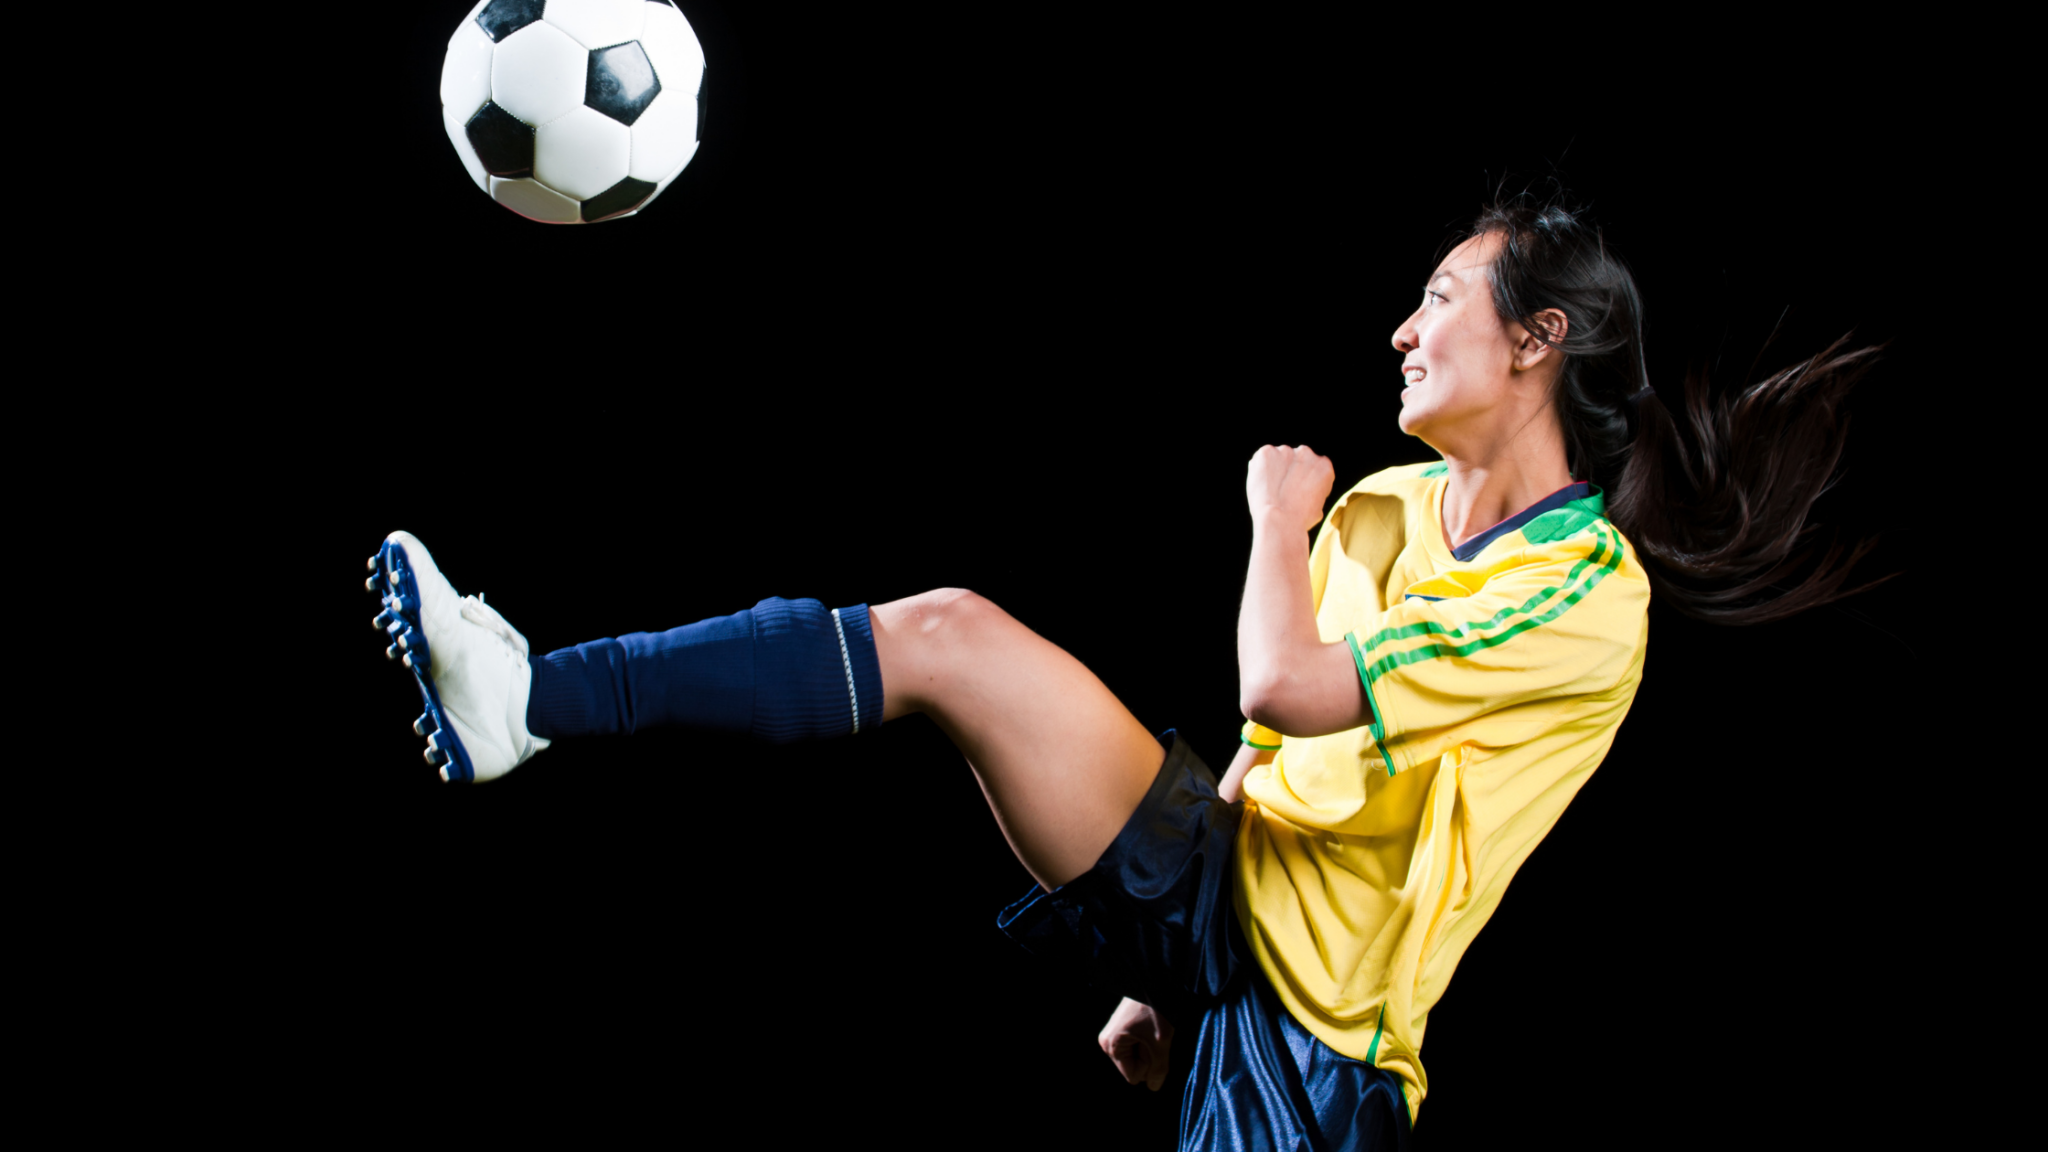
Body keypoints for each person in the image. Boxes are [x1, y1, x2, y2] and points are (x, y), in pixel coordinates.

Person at [364, 196, 1882, 1149]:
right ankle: (534, 695)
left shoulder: (1579, 593)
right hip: (1222, 885)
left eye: (1441, 297)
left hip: (1321, 1045)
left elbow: (1287, 683)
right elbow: (1270, 745)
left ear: (1540, 340)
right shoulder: (1385, 508)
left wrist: (1267, 517)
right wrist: (1164, 948)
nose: (1403, 327)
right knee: (951, 631)